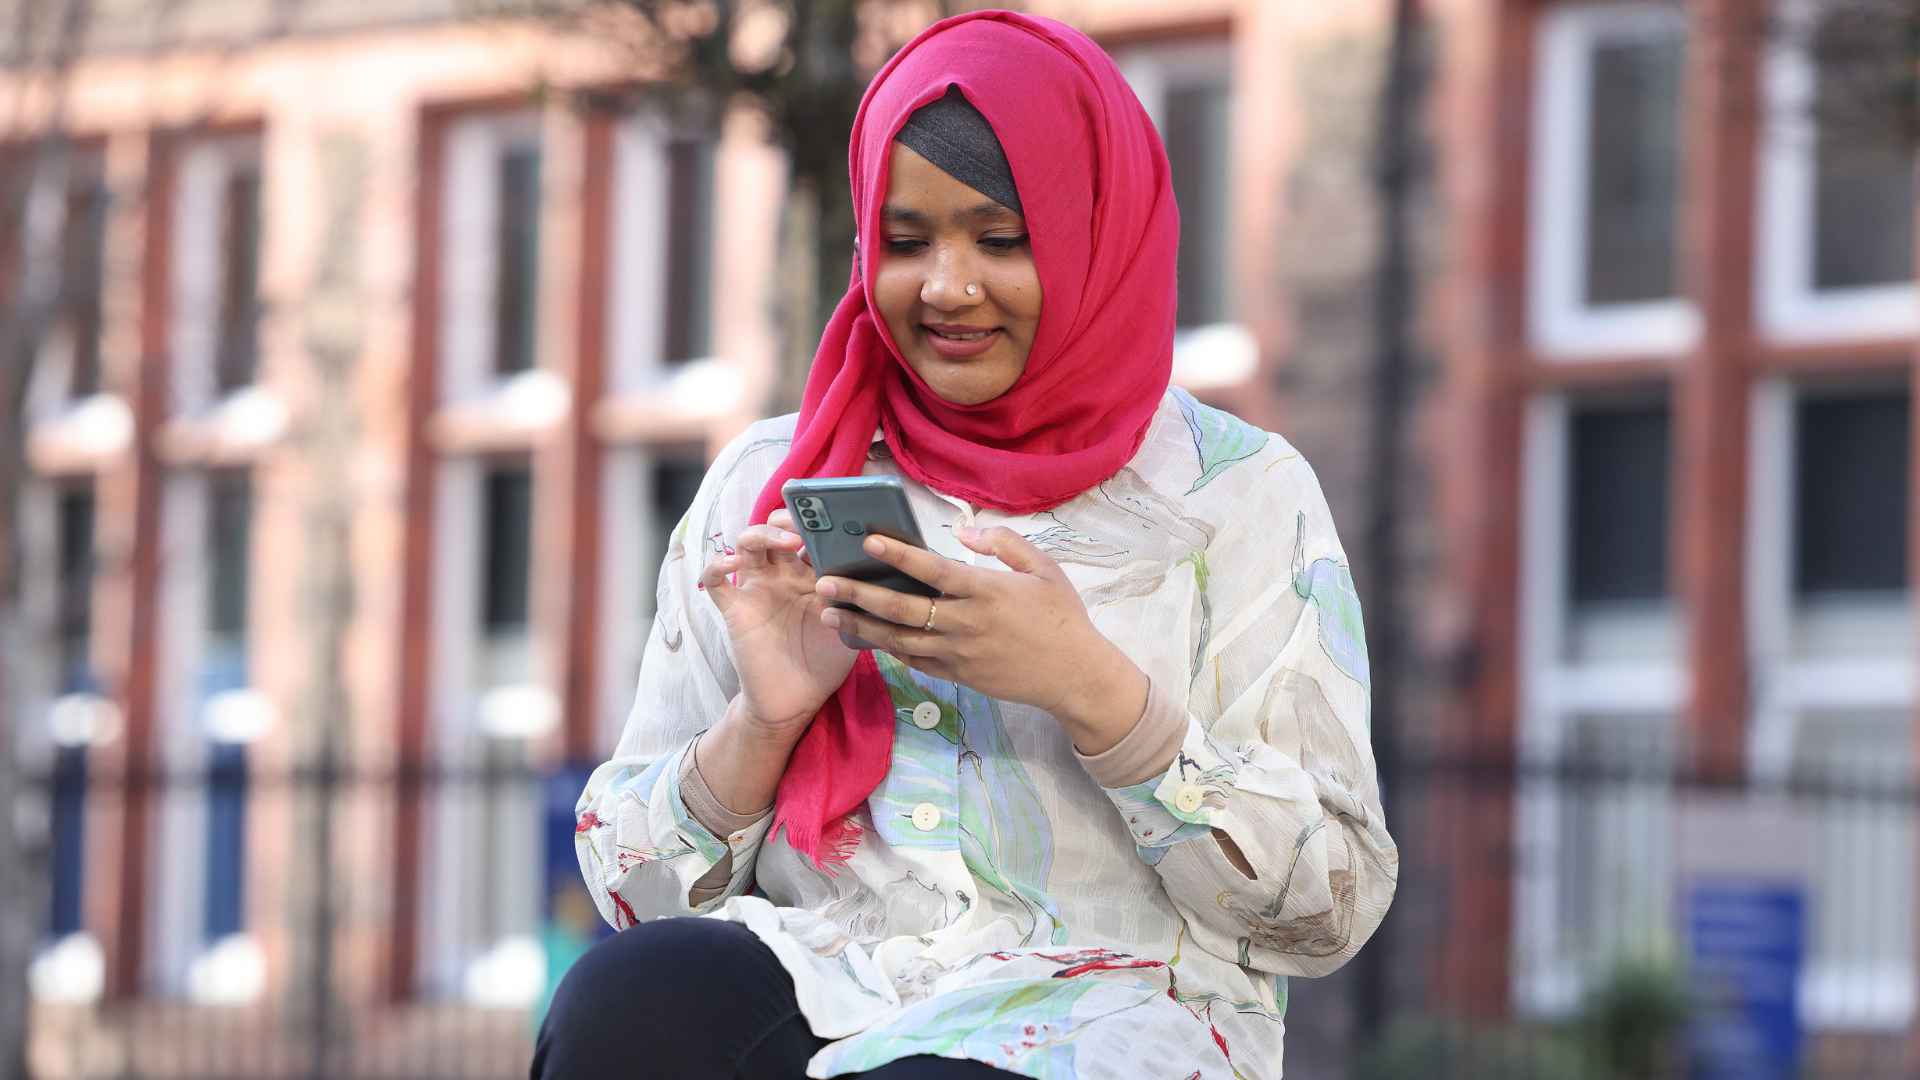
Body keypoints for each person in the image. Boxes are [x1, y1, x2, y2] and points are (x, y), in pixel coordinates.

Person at [535, 10, 1397, 1079]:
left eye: (1001, 239)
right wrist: (769, 720)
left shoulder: (1243, 495)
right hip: (834, 982)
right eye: (906, 242)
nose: (946, 287)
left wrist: (1095, 693)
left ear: (1096, 234)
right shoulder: (782, 479)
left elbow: (1332, 909)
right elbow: (634, 898)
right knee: (630, 1002)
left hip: (1116, 1012)